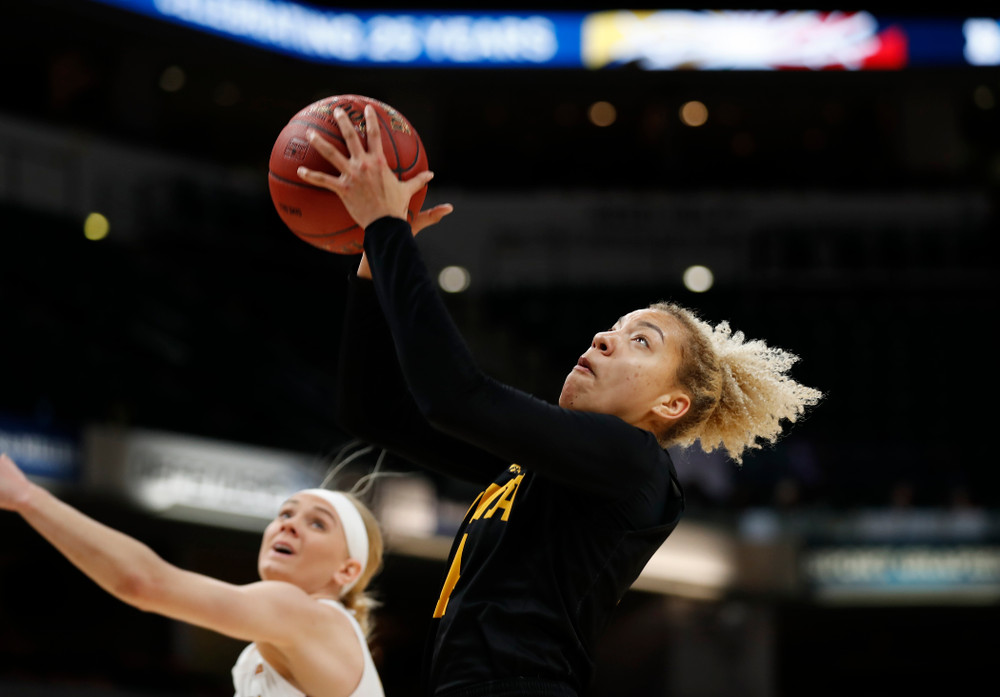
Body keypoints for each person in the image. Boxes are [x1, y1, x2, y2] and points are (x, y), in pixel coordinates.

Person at [297, 105, 823, 697]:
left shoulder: (633, 464)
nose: (604, 338)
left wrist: (390, 229)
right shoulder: (537, 473)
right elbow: (371, 412)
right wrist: (372, 268)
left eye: (639, 342)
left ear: (672, 404)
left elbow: (455, 395)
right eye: (613, 328)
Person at [0, 452, 386, 697]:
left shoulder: (307, 614)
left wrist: (26, 497)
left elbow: (144, 582)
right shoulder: (297, 629)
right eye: (285, 513)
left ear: (346, 570)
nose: (288, 525)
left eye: (317, 524)